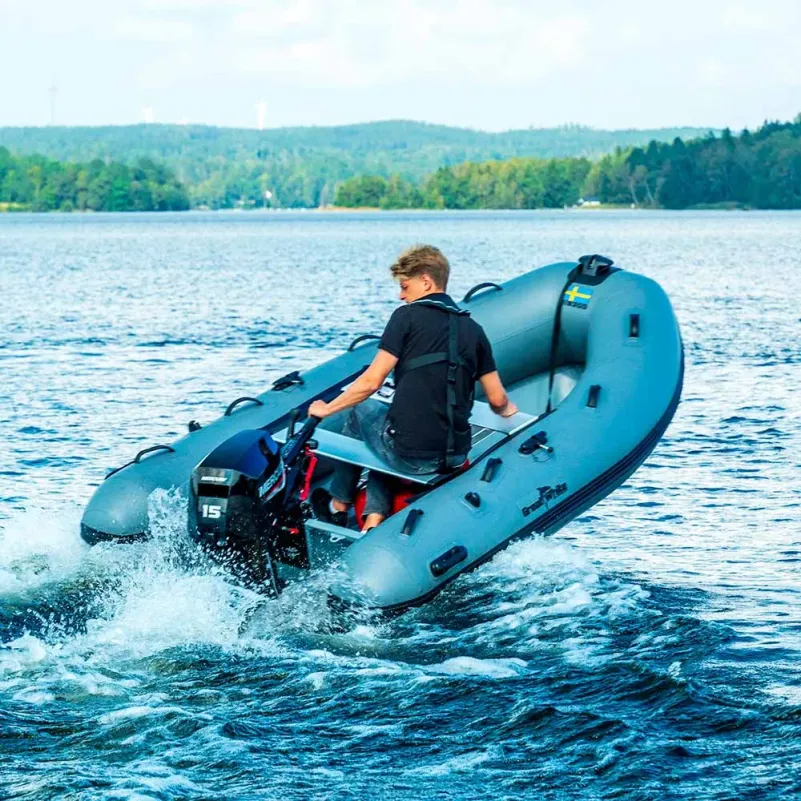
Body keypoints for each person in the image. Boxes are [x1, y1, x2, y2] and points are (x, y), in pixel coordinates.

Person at [308, 244, 517, 531]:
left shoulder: (405, 317)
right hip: (455, 456)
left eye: (405, 287)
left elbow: (371, 381)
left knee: (360, 410)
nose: (401, 295)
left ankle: (339, 502)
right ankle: (374, 517)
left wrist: (326, 409)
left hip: (410, 456)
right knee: (391, 427)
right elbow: (497, 399)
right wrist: (508, 410)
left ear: (426, 282)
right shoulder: (474, 330)